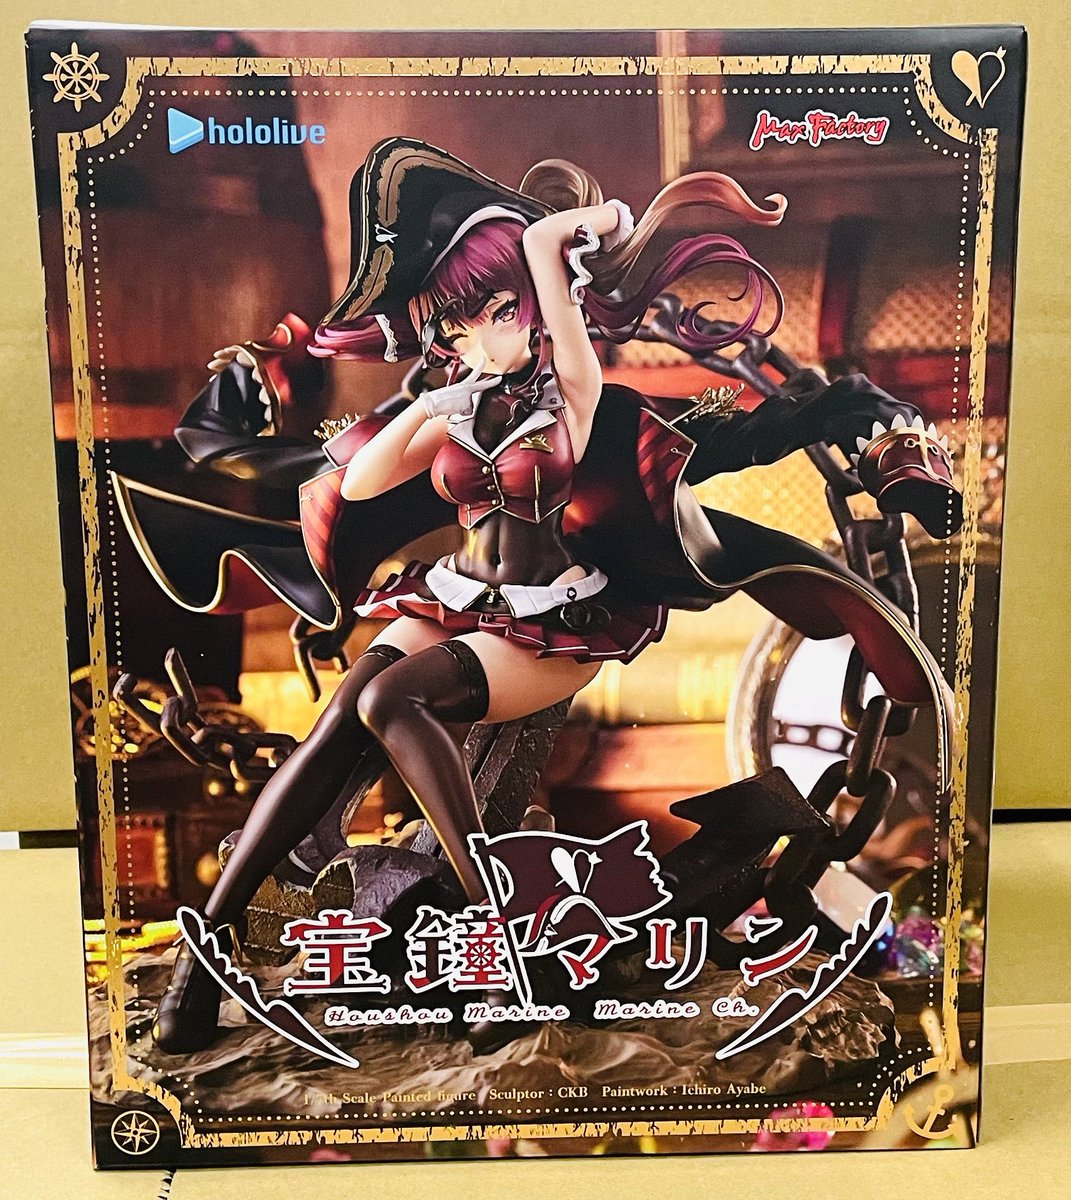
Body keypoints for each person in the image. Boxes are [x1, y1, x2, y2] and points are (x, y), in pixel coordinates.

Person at [113, 137, 960, 1053]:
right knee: (345, 713)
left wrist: (578, 230)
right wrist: (427, 406)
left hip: (550, 622)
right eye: (450, 327)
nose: (472, 339)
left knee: (390, 700)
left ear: (530, 308)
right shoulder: (457, 405)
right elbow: (358, 485)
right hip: (452, 602)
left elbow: (553, 267)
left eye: (493, 312)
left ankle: (498, 940)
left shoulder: (574, 398)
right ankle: (207, 956)